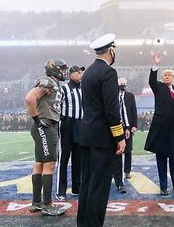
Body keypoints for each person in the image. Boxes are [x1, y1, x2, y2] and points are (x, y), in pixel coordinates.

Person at [77, 33, 126, 227]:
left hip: (86, 135)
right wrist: (119, 136)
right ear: (111, 50)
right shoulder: (108, 73)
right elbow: (111, 109)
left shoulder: (88, 71)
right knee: (99, 187)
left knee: (87, 185)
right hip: (102, 138)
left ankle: (83, 223)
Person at [24, 58, 68, 216]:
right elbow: (30, 98)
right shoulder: (47, 81)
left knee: (40, 164)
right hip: (46, 125)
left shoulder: (53, 83)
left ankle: (36, 203)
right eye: (62, 69)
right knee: (49, 164)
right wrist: (37, 120)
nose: (64, 72)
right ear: (53, 68)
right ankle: (47, 205)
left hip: (45, 125)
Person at [144, 52, 174, 196]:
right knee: (161, 159)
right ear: (162, 78)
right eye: (164, 75)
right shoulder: (158, 87)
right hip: (161, 130)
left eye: (169, 75)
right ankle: (163, 187)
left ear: (173, 78)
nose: (167, 77)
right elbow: (151, 80)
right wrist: (155, 65)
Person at [55, 65, 85, 201]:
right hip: (67, 124)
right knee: (64, 158)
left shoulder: (83, 89)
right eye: (79, 73)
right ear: (71, 74)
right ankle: (61, 191)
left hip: (80, 125)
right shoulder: (64, 88)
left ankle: (76, 188)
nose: (81, 75)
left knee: (78, 158)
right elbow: (56, 107)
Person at [112, 77, 138, 193]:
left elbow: (132, 111)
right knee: (117, 152)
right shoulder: (113, 96)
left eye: (124, 84)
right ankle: (115, 176)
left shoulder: (130, 96)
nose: (122, 86)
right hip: (114, 127)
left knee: (127, 150)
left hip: (126, 127)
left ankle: (126, 172)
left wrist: (131, 126)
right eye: (120, 84)